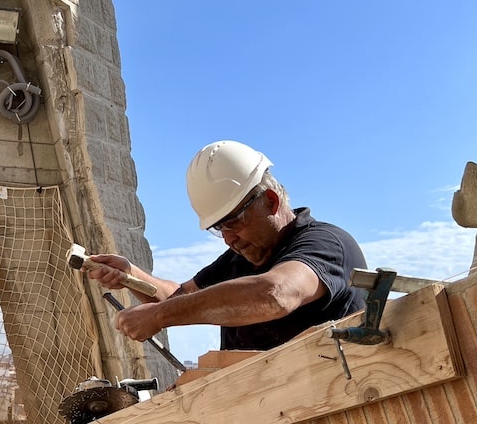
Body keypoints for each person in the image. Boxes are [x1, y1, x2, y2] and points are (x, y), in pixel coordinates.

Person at [85, 140, 367, 352]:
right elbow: (180, 298)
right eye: (219, 228)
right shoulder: (242, 259)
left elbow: (275, 294)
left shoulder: (325, 243)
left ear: (270, 200)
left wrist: (159, 317)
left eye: (234, 222)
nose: (229, 239)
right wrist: (131, 276)